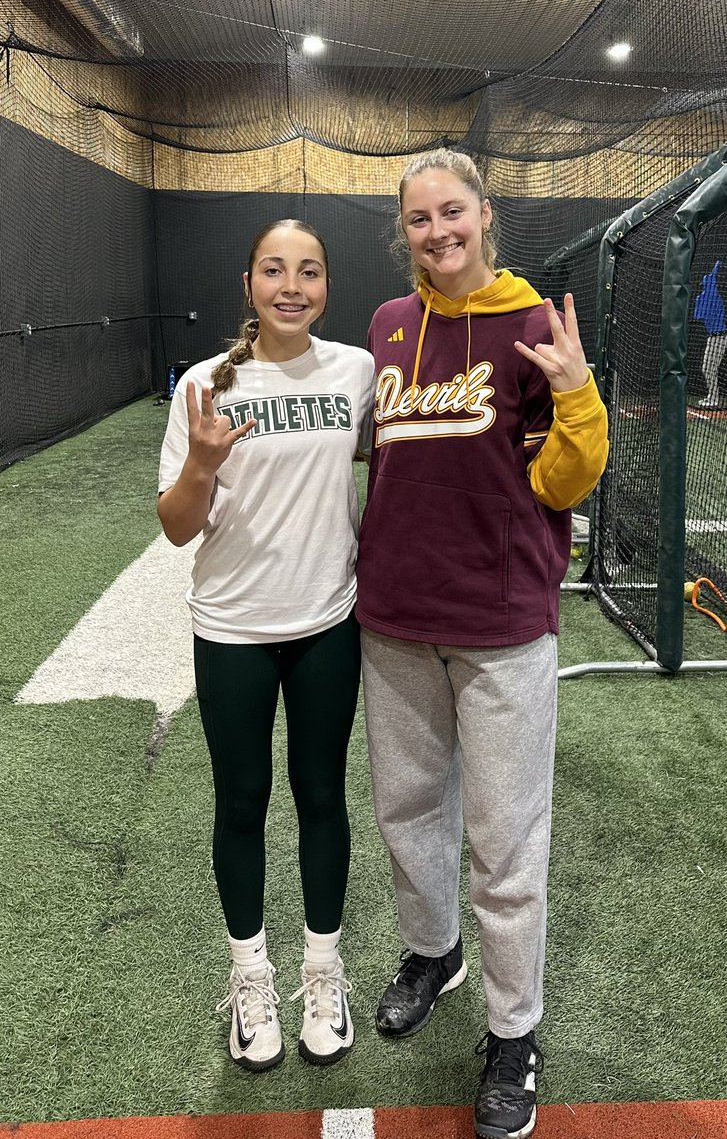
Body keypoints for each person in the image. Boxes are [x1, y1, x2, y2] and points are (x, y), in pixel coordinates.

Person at [356, 149, 609, 1139]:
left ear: (484, 213)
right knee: (408, 811)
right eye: (418, 218)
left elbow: (564, 483)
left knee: (505, 844)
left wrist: (579, 392)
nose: (436, 231)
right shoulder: (386, 325)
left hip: (501, 627)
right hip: (395, 619)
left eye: (450, 211)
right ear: (404, 229)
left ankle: (514, 1032)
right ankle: (433, 953)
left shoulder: (533, 324)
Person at [157, 220, 375, 1071]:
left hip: (328, 620)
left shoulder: (355, 371)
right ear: (248, 281)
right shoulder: (205, 389)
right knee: (241, 801)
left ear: (326, 284)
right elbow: (176, 529)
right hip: (233, 630)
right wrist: (203, 464)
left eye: (310, 271)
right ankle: (251, 978)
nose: (293, 285)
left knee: (322, 795)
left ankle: (323, 971)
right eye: (275, 270)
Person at [693, 259, 727, 408]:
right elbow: (697, 316)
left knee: (709, 368)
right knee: (707, 368)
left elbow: (713, 278)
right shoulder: (703, 298)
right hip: (712, 338)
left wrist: (717, 266)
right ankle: (712, 396)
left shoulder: (715, 296)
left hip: (720, 337)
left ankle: (714, 398)